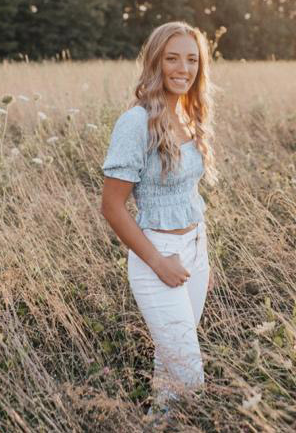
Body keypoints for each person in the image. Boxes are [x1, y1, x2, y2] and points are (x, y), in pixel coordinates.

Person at [100, 21, 219, 420]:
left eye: (191, 59)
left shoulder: (190, 114)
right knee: (190, 375)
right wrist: (159, 262)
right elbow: (112, 207)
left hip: (194, 252)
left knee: (169, 370)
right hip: (158, 255)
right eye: (172, 58)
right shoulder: (135, 123)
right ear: (155, 62)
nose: (183, 68)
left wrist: (203, 256)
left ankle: (160, 424)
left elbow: (190, 197)